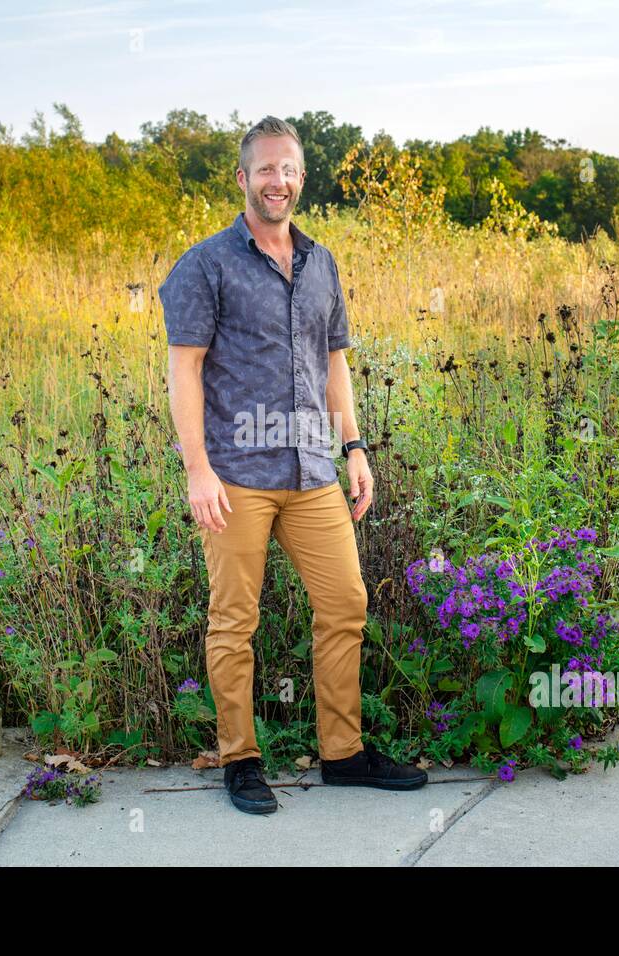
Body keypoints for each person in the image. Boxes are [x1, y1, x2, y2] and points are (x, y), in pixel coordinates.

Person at [159, 116, 427, 814]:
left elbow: (333, 360)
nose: (279, 181)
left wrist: (355, 447)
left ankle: (342, 753)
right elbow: (184, 370)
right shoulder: (206, 264)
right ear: (243, 178)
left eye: (290, 170)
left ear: (302, 178)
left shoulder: (322, 263)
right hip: (236, 476)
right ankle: (240, 760)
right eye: (266, 169)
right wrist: (196, 469)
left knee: (346, 605)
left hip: (313, 474)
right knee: (233, 621)